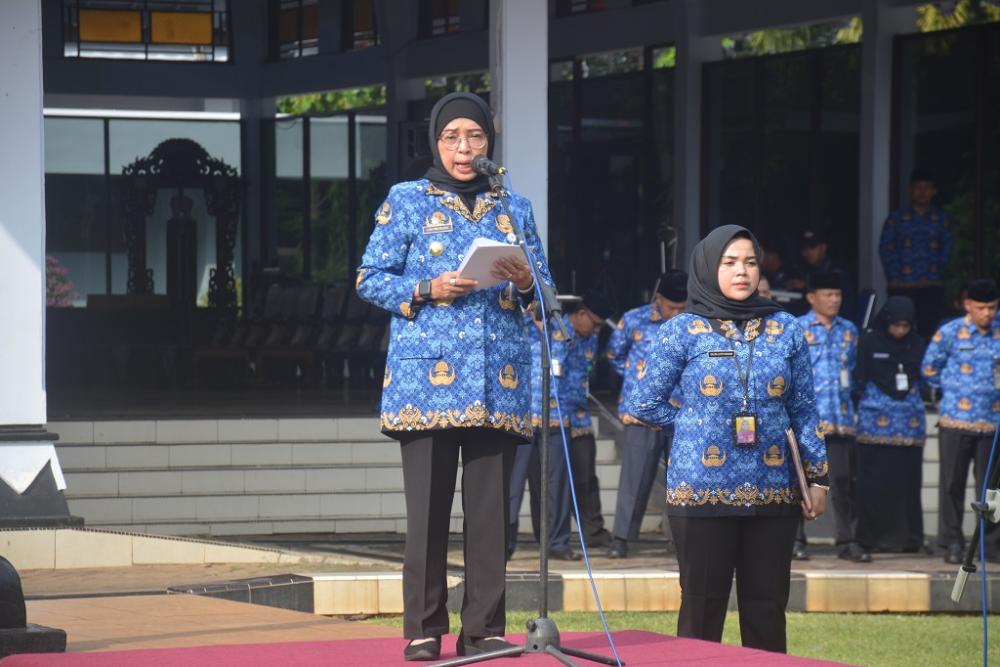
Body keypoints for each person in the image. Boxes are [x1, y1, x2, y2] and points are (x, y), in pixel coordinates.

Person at [356, 92, 553, 661]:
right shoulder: (407, 199)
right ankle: (423, 628)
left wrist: (524, 283)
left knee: (490, 517)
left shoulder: (513, 205)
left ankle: (484, 628)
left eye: (475, 136)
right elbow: (369, 278)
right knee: (428, 514)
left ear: (490, 141)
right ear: (435, 142)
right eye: (451, 137)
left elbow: (544, 293)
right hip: (427, 385)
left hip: (499, 383)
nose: (464, 148)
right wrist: (428, 288)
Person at [625, 225, 828, 654]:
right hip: (701, 489)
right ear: (707, 267)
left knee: (767, 608)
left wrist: (818, 478)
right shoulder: (682, 329)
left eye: (750, 262)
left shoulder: (786, 328)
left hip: (773, 488)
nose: (742, 271)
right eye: (729, 262)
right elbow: (643, 402)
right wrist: (692, 425)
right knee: (702, 608)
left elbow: (804, 408)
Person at [605, 270, 687, 559]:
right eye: (671, 306)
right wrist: (636, 381)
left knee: (682, 480)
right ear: (658, 298)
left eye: (682, 307)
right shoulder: (634, 319)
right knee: (635, 478)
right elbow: (614, 355)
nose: (676, 313)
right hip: (642, 414)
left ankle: (679, 540)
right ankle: (621, 539)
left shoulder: (694, 324)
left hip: (681, 413)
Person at [921, 278, 1000, 565]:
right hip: (956, 421)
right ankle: (952, 542)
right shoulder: (951, 332)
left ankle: (989, 545)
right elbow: (929, 368)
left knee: (991, 489)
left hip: (992, 423)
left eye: (992, 308)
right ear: (968, 305)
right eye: (981, 308)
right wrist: (951, 392)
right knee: (952, 484)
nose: (987, 313)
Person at [794, 272, 866, 563]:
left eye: (838, 294)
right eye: (828, 294)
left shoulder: (849, 330)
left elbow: (854, 370)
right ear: (812, 298)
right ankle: (795, 541)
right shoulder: (797, 328)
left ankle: (847, 540)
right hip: (806, 423)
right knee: (798, 482)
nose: (834, 300)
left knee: (843, 483)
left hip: (841, 420)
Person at [853, 296, 928, 553]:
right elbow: (859, 376)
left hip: (909, 425)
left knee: (907, 484)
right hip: (874, 425)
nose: (900, 331)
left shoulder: (918, 344)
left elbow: (926, 377)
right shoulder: (869, 341)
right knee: (874, 483)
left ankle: (909, 539)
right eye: (896, 325)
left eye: (905, 326)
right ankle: (871, 538)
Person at [879, 168, 953, 338]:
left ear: (934, 191)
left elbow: (947, 248)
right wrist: (895, 277)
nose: (922, 192)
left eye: (926, 188)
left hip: (931, 286)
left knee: (929, 331)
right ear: (910, 190)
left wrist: (938, 272)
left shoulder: (940, 219)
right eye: (918, 188)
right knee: (900, 330)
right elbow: (886, 248)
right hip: (901, 287)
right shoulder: (897, 218)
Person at [783, 230, 855, 320]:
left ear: (823, 248)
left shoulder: (836, 268)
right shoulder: (802, 268)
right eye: (804, 249)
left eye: (812, 248)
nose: (808, 252)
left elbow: (834, 292)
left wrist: (805, 285)